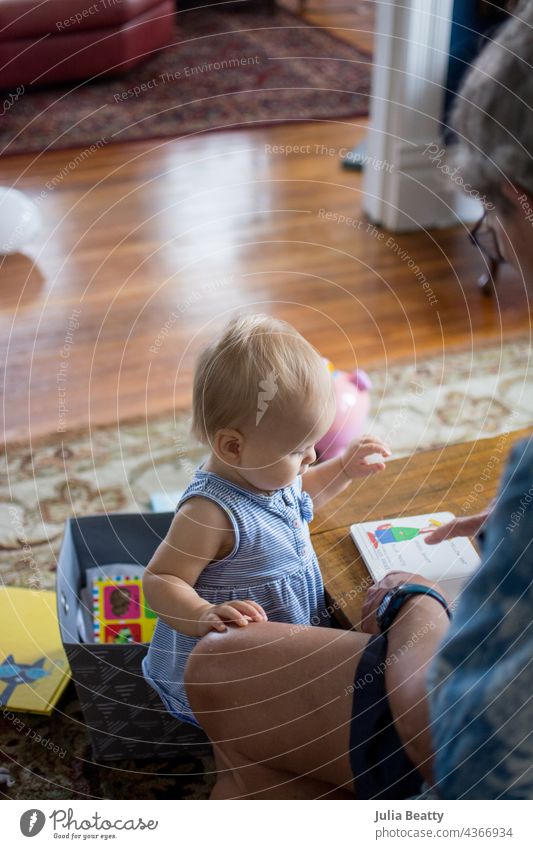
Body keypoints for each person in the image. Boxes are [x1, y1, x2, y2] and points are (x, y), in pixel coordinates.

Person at [184, 1, 533, 798]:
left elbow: (475, 752)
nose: (499, 251)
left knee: (230, 678)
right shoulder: (211, 507)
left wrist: (418, 604)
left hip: (480, 784)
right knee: (260, 729)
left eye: (491, 224)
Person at [142, 314, 389, 726]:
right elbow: (161, 580)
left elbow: (303, 491)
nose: (311, 457)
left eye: (314, 444)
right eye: (299, 449)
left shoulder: (268, 475)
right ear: (232, 446)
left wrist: (344, 469)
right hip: (227, 673)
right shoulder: (209, 514)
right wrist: (204, 614)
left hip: (281, 642)